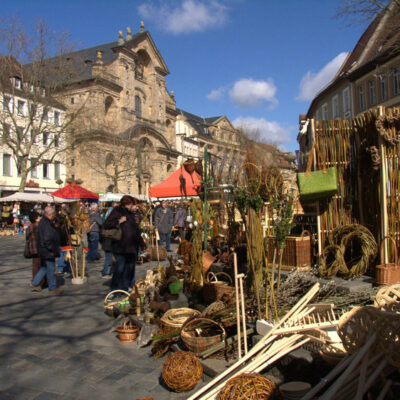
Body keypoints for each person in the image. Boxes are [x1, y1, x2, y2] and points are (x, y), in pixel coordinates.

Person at [103, 195, 145, 291]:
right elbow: (107, 224)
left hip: (131, 246)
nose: (133, 206)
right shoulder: (117, 211)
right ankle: (115, 288)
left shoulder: (131, 214)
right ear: (126, 204)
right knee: (120, 268)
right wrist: (119, 221)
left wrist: (141, 242)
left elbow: (135, 230)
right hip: (120, 246)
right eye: (131, 204)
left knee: (129, 269)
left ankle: (125, 288)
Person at [31, 206, 63, 294]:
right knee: (50, 268)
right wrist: (51, 248)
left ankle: (35, 282)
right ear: (51, 214)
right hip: (48, 250)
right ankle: (52, 287)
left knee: (45, 267)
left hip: (44, 249)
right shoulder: (46, 223)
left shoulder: (44, 222)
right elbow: (47, 238)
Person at [26, 210, 45, 289]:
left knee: (35, 266)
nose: (40, 218)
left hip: (33, 248)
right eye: (39, 216)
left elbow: (27, 238)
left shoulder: (29, 227)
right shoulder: (40, 226)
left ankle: (36, 282)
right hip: (41, 248)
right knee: (42, 265)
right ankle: (39, 283)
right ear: (36, 218)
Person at [100, 202, 118, 278]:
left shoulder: (108, 220)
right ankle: (106, 272)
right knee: (109, 258)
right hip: (109, 242)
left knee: (111, 257)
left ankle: (110, 271)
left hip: (110, 241)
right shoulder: (109, 223)